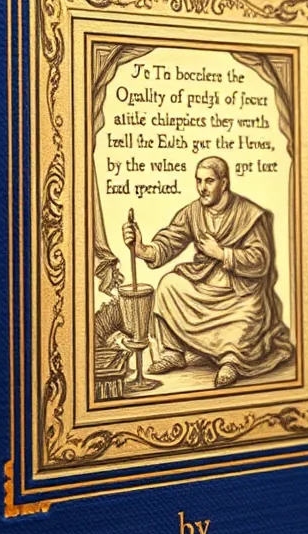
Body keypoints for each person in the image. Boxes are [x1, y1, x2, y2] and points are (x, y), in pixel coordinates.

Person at [122, 156, 292, 388]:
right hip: (204, 283)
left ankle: (232, 361)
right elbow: (170, 241)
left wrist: (222, 253)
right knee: (168, 285)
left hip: (239, 293)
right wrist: (142, 249)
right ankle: (173, 351)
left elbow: (260, 260)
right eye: (199, 181)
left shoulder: (249, 214)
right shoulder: (193, 212)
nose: (202, 187)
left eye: (209, 181)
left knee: (248, 314)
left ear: (224, 183)